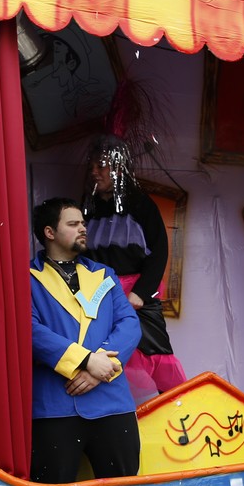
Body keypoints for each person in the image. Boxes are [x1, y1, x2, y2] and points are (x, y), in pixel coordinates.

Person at [29, 198, 143, 483]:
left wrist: (100, 367)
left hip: (111, 400)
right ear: (49, 232)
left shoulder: (104, 274)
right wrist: (86, 361)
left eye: (83, 223)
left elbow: (129, 324)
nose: (83, 228)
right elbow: (30, 330)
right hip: (56, 405)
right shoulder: (25, 278)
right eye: (73, 224)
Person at [83, 135, 188, 401]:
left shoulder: (141, 204)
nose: (94, 171)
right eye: (92, 165)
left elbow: (159, 251)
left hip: (137, 294)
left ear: (118, 168)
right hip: (98, 295)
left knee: (156, 351)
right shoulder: (88, 204)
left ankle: (179, 407)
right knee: (103, 352)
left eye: (101, 165)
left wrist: (140, 292)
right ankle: (111, 410)